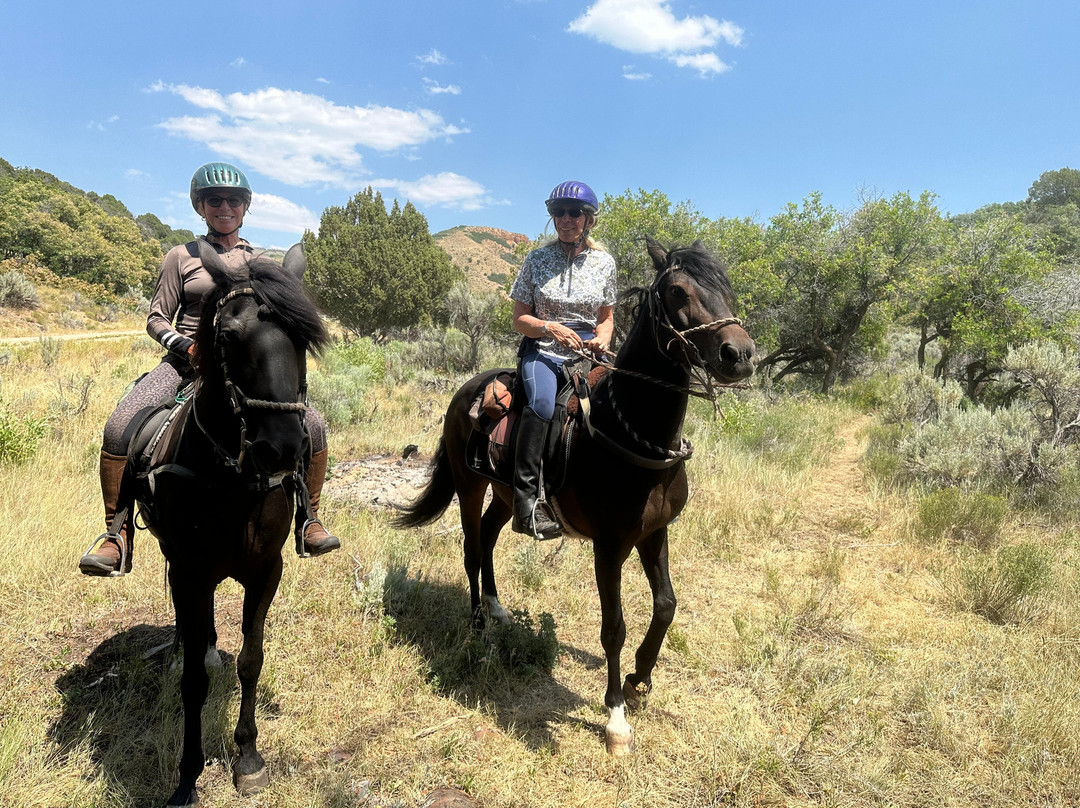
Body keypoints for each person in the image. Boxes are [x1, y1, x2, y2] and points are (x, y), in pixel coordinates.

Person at [78, 162, 340, 576]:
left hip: (244, 368)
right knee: (120, 423)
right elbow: (156, 318)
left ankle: (309, 518)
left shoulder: (261, 261)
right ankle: (117, 533)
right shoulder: (181, 256)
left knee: (314, 425)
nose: (224, 207)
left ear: (245, 207)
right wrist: (186, 346)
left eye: (233, 200)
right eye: (214, 200)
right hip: (186, 363)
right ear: (201, 206)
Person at [508, 180, 616, 540]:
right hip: (543, 351)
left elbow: (606, 317)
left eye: (574, 212)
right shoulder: (536, 259)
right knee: (541, 403)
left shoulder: (604, 263)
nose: (566, 219)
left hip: (587, 354)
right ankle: (525, 505)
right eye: (559, 212)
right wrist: (551, 327)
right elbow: (519, 319)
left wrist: (602, 338)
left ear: (589, 219)